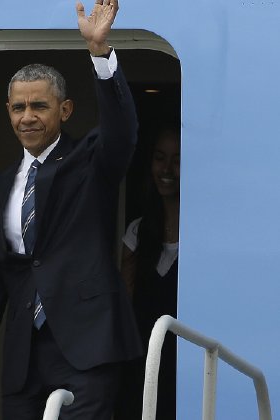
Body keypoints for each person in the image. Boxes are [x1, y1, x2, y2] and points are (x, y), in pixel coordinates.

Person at [0, 0, 143, 419]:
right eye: (19, 108)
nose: (27, 117)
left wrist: (100, 54)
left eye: (40, 106)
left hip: (88, 348)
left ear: (65, 110)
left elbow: (122, 132)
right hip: (24, 361)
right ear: (8, 113)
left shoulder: (89, 161)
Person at [115, 126, 180, 420]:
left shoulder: (203, 239)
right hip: (142, 369)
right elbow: (125, 310)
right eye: (159, 158)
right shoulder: (136, 233)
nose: (166, 169)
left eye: (177, 160)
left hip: (186, 370)